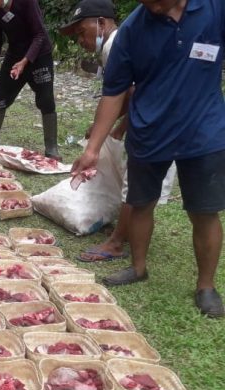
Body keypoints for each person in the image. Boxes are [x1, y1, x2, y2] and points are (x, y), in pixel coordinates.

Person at [71, 0, 225, 318]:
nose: (148, 4)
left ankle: (206, 286)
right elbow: (113, 93)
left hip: (204, 132)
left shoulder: (214, 9)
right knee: (140, 203)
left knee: (204, 211)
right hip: (150, 130)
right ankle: (138, 266)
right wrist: (92, 149)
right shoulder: (132, 31)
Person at [61, 0, 176, 264]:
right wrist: (107, 128)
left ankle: (116, 242)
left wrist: (118, 129)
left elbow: (135, 92)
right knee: (135, 183)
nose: (80, 39)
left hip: (158, 124)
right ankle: (124, 235)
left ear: (101, 23)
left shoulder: (115, 44)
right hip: (157, 120)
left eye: (82, 31)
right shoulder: (120, 41)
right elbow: (126, 92)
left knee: (135, 184)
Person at [0, 0, 60, 160]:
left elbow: (40, 34)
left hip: (40, 56)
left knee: (46, 100)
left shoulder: (26, 2)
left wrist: (25, 62)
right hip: (14, 56)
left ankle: (52, 148)